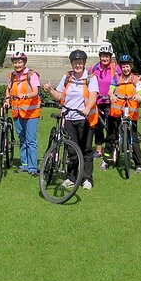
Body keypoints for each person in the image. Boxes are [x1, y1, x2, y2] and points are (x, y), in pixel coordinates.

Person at [42, 49, 98, 190]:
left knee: (86, 150)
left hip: (85, 119)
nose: (77, 65)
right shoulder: (67, 77)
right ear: (72, 63)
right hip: (69, 118)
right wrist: (49, 90)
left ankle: (87, 178)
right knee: (71, 150)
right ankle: (71, 177)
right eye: (75, 63)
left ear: (84, 63)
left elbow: (93, 97)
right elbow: (60, 96)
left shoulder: (91, 77)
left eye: (80, 63)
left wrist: (87, 109)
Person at [4, 51, 41, 175]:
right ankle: (24, 164)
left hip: (31, 113)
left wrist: (26, 95)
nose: (17, 64)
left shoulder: (32, 75)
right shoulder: (12, 76)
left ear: (24, 63)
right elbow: (8, 90)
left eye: (20, 62)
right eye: (15, 62)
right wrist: (7, 100)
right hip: (17, 112)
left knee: (31, 140)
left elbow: (35, 91)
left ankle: (32, 167)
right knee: (22, 138)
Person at [106, 54, 141, 173]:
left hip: (131, 112)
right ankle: (106, 160)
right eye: (123, 67)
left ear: (131, 67)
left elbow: (140, 90)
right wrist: (111, 95)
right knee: (112, 134)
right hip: (118, 109)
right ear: (120, 68)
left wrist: (139, 95)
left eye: (127, 67)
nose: (125, 69)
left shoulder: (136, 79)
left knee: (134, 137)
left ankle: (138, 165)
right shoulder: (116, 78)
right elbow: (110, 89)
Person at [89, 44, 121, 164]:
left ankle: (111, 148)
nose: (105, 59)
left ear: (110, 57)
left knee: (111, 126)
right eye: (103, 56)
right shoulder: (94, 67)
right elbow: (88, 81)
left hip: (110, 101)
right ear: (100, 56)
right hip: (97, 101)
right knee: (97, 126)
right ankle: (98, 149)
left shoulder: (115, 68)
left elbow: (120, 81)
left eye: (107, 56)